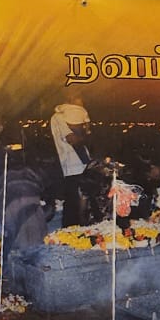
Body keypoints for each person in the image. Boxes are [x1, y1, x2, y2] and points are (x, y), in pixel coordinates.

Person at [48, 95, 92, 226]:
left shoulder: (71, 114)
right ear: (70, 100)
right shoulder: (59, 117)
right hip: (72, 164)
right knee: (73, 200)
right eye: (79, 102)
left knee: (80, 198)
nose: (81, 105)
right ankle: (72, 228)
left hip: (79, 163)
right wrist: (84, 133)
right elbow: (71, 138)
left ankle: (79, 226)